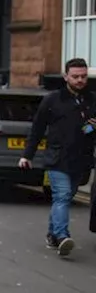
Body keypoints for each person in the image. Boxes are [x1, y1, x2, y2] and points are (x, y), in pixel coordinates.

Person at [19, 57, 96, 258]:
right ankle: (63, 236)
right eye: (75, 76)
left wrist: (92, 127)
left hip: (81, 160)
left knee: (66, 198)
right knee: (61, 197)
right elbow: (37, 128)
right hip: (57, 158)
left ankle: (52, 235)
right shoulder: (52, 100)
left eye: (83, 76)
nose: (80, 80)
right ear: (65, 77)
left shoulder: (92, 100)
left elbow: (89, 130)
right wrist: (27, 155)